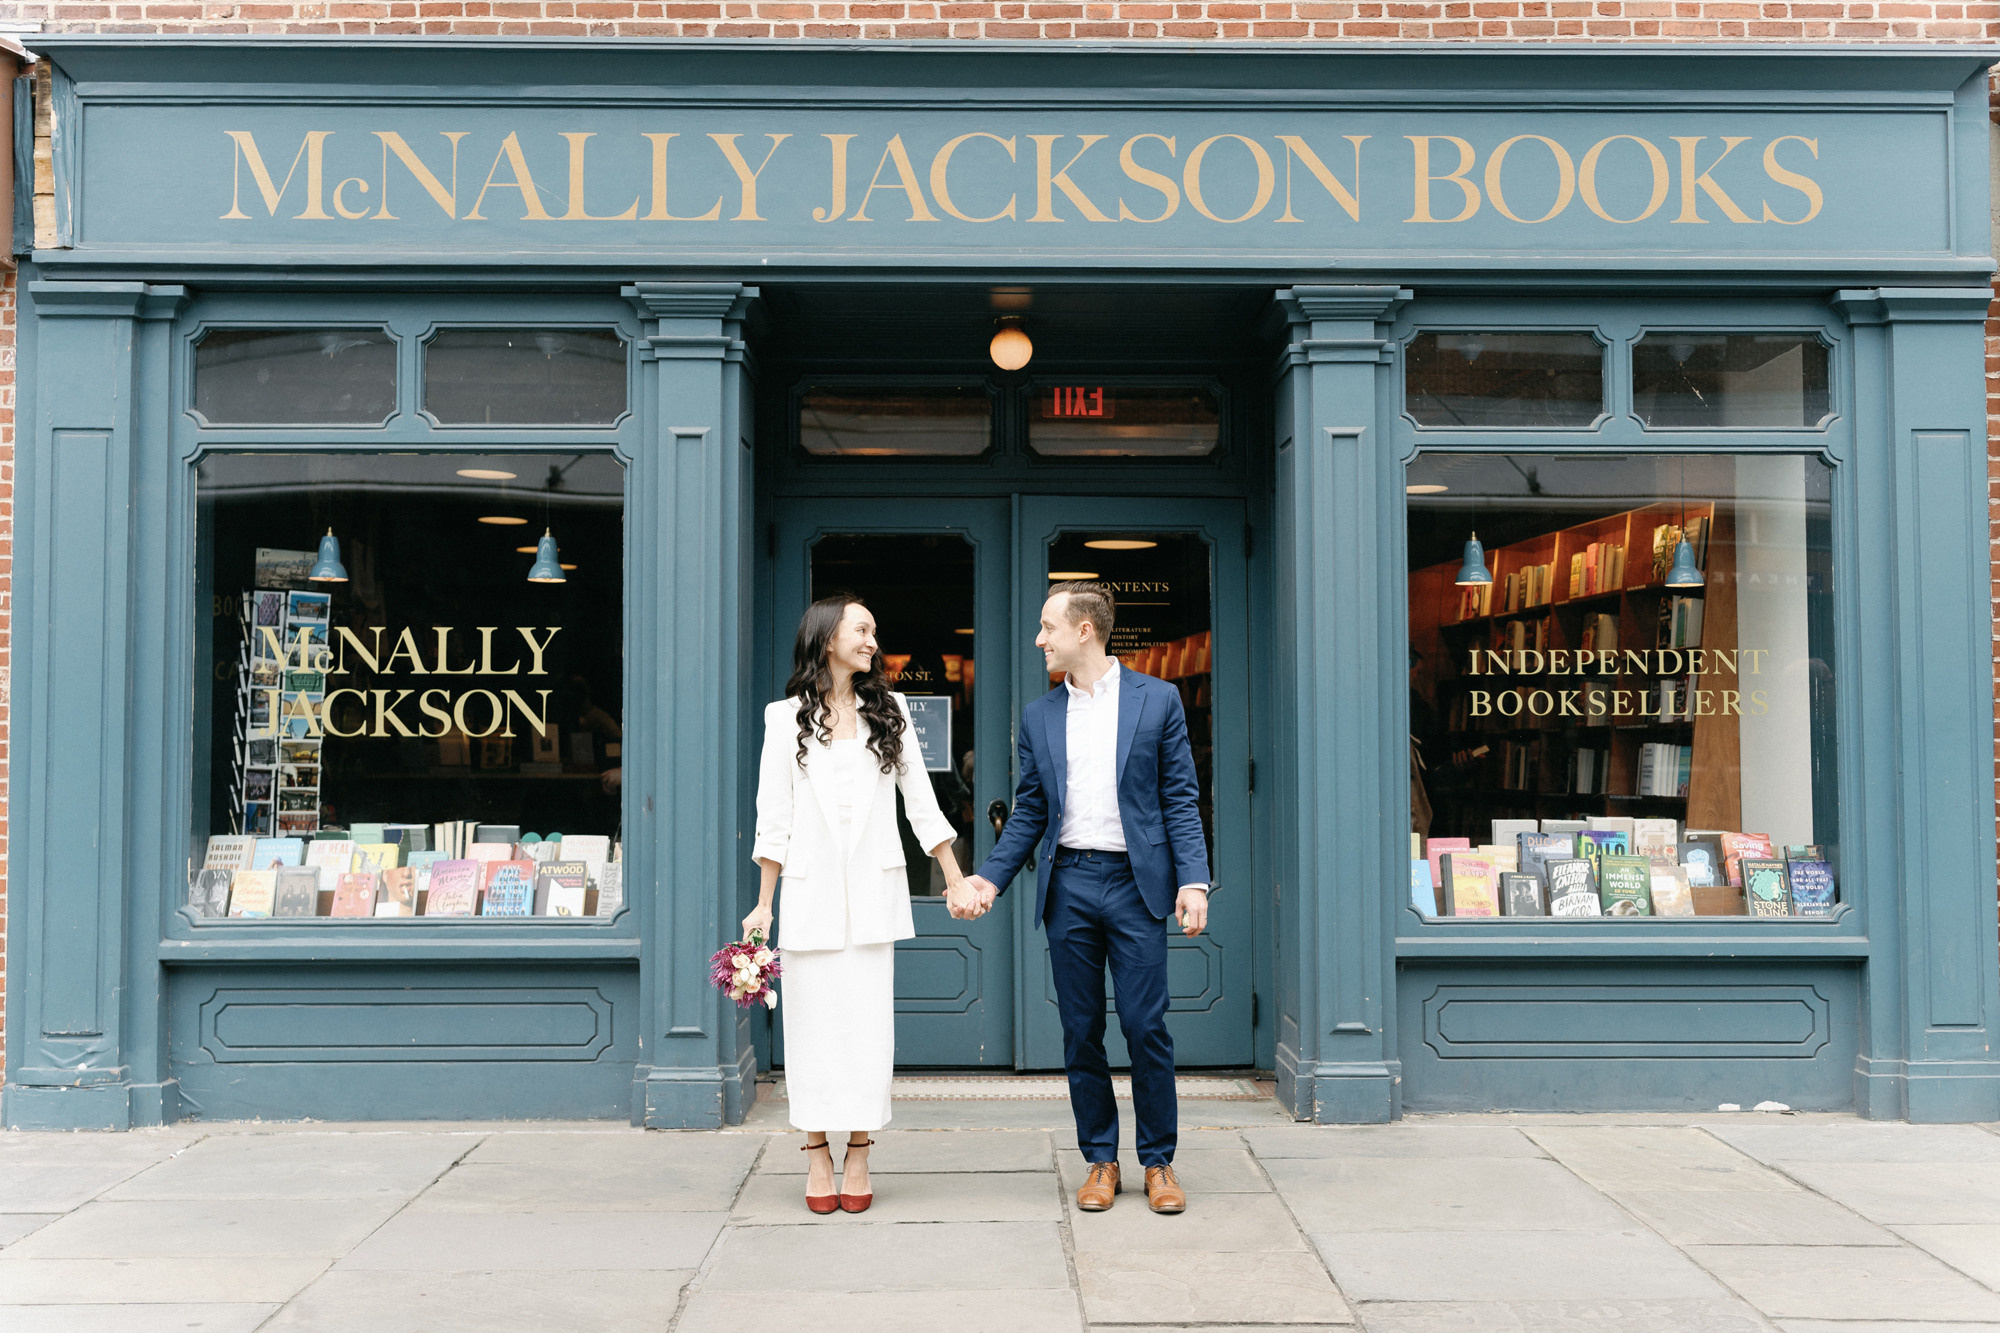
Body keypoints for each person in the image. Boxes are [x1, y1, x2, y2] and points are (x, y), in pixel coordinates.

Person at [963, 581, 1210, 1215]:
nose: (1039, 639)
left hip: (1136, 885)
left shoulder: (1159, 700)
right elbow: (1029, 812)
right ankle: (1101, 1161)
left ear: (1084, 631)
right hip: (1069, 882)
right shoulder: (1037, 715)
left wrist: (1193, 880)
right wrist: (989, 878)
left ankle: (1159, 1163)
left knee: (1145, 1026)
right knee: (1080, 1032)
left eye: (1047, 627)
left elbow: (1180, 796)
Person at [746, 594, 983, 1214]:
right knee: (812, 1032)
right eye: (862, 629)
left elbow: (923, 808)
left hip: (874, 898)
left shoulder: (892, 711)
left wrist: (956, 879)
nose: (873, 640)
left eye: (874, 630)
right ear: (827, 638)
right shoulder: (782, 718)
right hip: (807, 895)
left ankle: (859, 1149)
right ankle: (817, 1152)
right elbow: (774, 819)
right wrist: (763, 905)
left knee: (865, 1033)